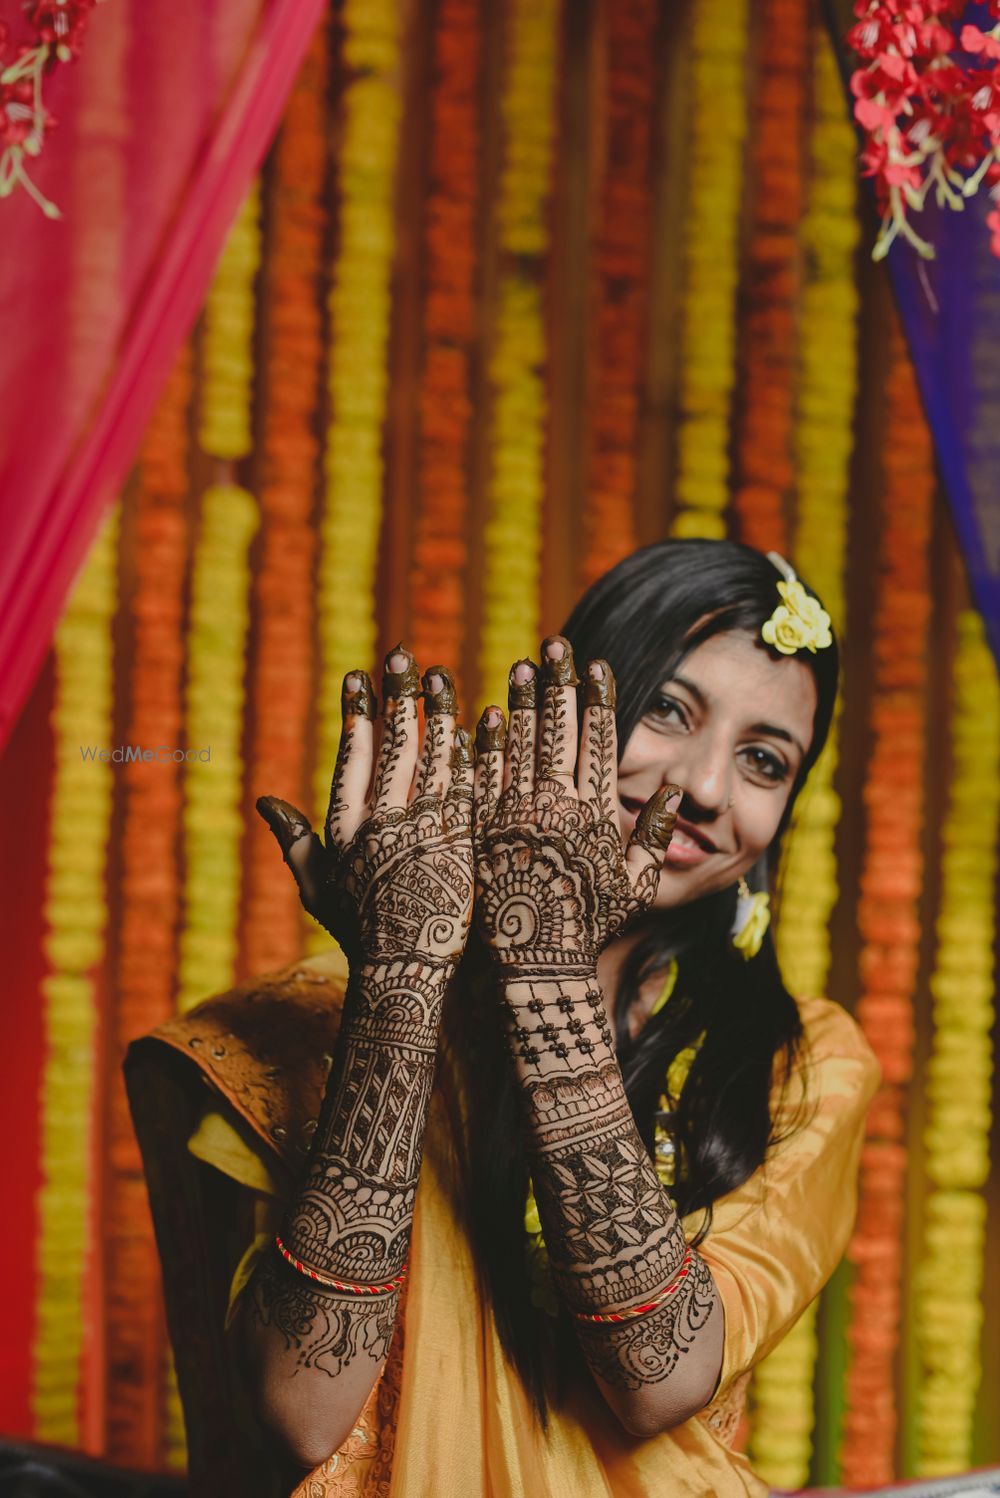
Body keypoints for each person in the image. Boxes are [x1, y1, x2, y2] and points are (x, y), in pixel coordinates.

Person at [126, 539, 881, 1497]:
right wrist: (400, 980)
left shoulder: (799, 1065)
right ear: (549, 722)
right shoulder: (307, 1022)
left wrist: (545, 961)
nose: (703, 787)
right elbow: (297, 1414)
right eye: (665, 709)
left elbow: (660, 1377)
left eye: (765, 760)